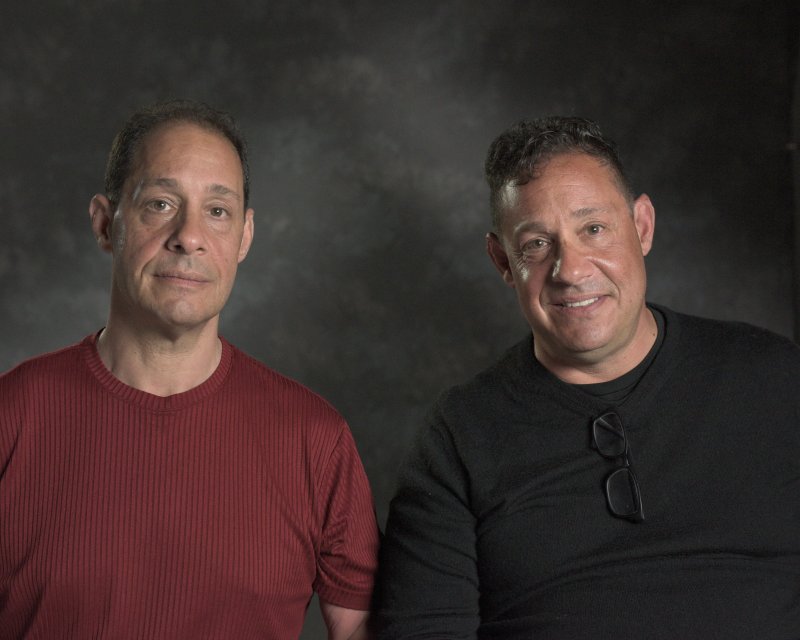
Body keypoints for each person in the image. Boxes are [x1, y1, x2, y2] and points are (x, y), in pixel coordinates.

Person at [373, 116, 800, 638]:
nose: (571, 270)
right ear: (503, 261)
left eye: (593, 229)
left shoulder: (773, 377)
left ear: (642, 226)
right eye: (537, 244)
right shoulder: (461, 434)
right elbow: (424, 630)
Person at [0, 100, 379, 639]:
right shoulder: (13, 415)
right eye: (160, 204)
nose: (190, 236)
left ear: (244, 236)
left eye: (217, 211)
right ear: (106, 224)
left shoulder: (315, 440)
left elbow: (360, 630)